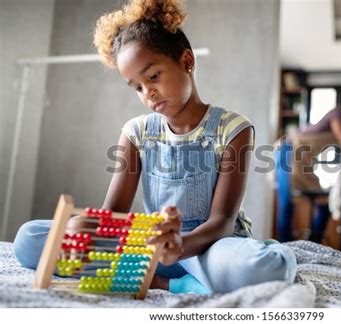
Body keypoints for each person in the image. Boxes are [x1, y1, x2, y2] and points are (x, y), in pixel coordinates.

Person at [13, 0, 296, 294]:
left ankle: (250, 255)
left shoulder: (233, 128)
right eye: (137, 87)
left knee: (269, 267)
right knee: (29, 239)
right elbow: (114, 213)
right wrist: (86, 228)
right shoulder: (136, 133)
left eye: (153, 76)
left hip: (209, 248)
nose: (148, 93)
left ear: (187, 61)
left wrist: (180, 246)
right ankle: (169, 283)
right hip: (153, 248)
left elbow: (222, 221)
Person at [275, 88, 341, 242]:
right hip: (289, 150)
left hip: (304, 160)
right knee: (287, 202)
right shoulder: (337, 114)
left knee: (324, 203)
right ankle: (284, 249)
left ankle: (313, 245)